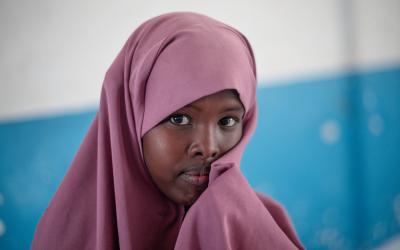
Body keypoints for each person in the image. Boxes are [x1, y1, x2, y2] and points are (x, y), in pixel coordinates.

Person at [31, 11, 304, 250]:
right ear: (130, 119)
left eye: (227, 121)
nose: (208, 147)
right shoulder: (66, 237)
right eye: (179, 119)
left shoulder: (264, 227)